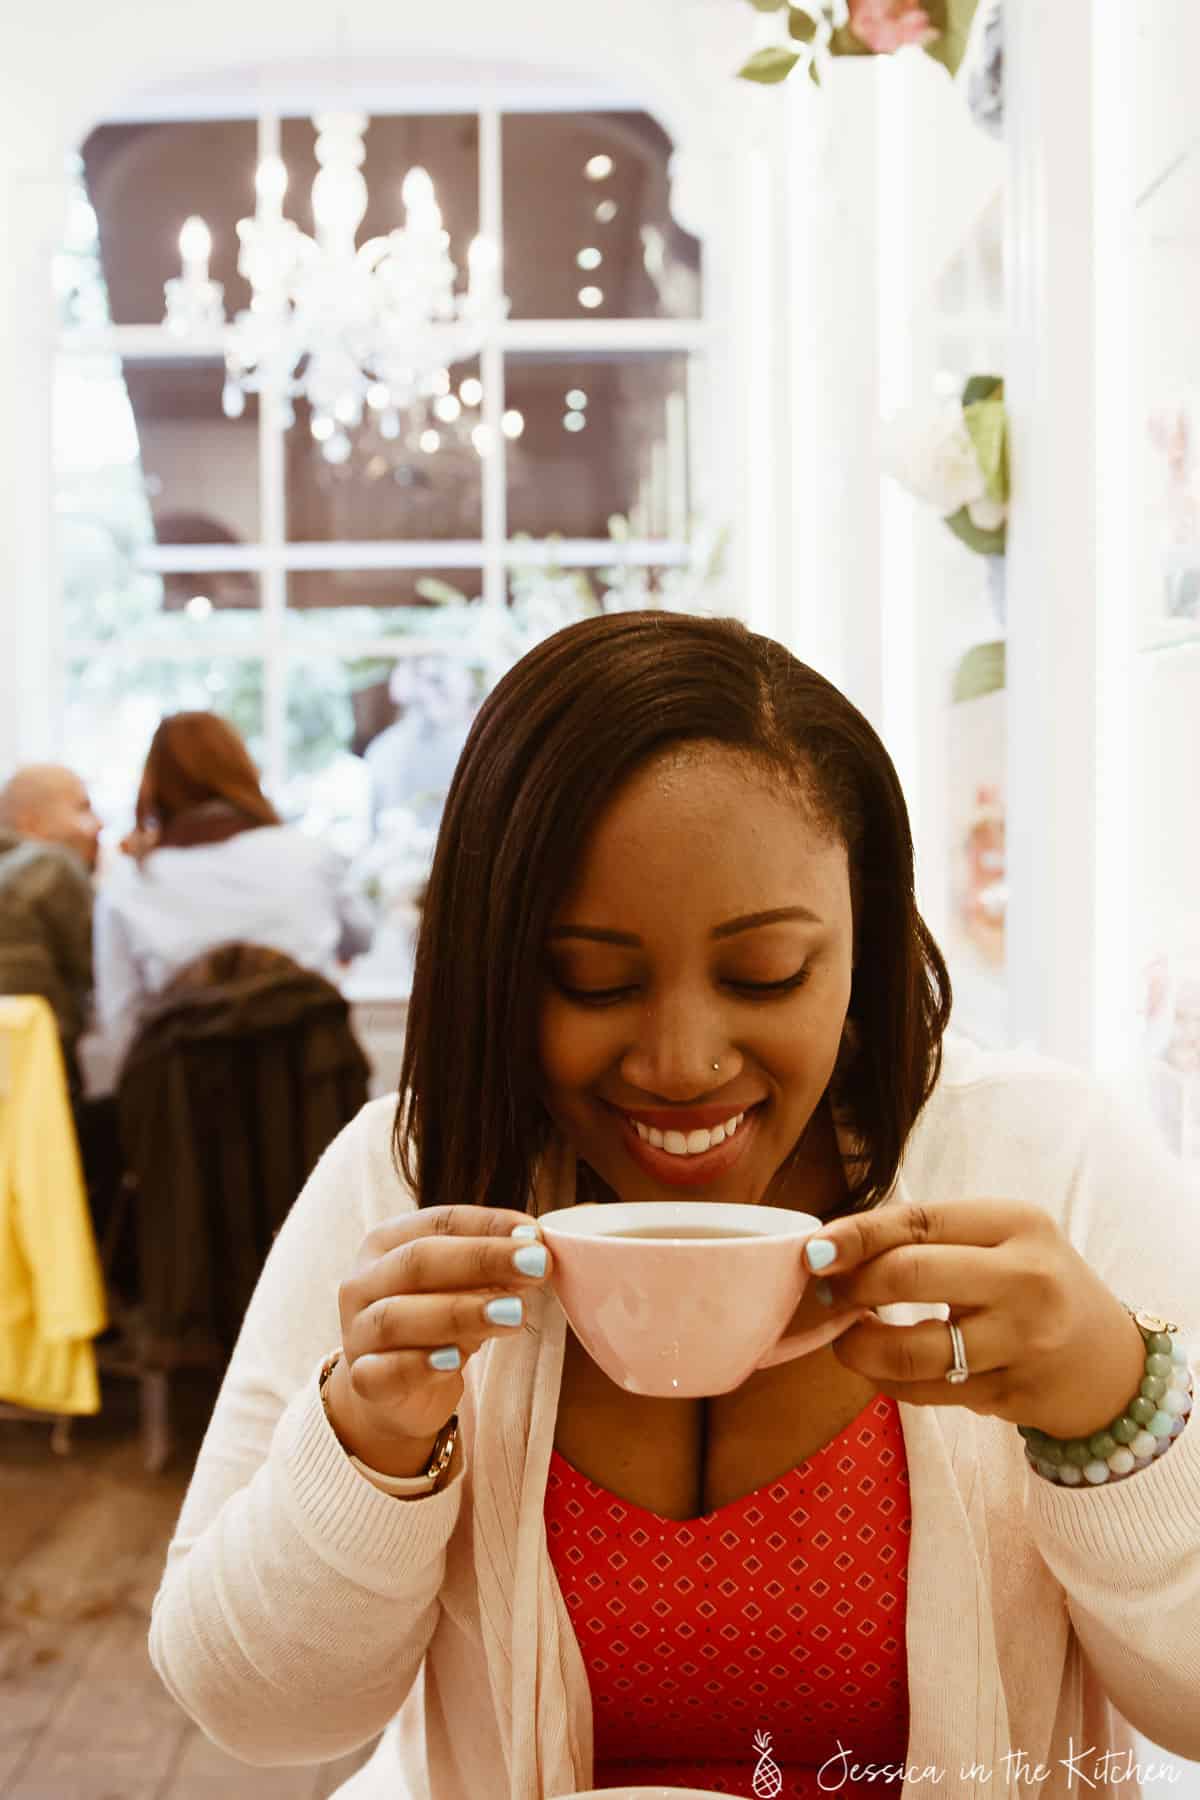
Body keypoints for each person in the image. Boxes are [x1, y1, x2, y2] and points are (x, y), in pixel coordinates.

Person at [148, 613, 1200, 1799]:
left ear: (867, 936)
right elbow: (249, 1709)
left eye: (766, 975)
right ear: (494, 966)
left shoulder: (1046, 1159)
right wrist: (369, 1452)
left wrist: (1118, 1417)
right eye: (591, 979)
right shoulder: (412, 1179)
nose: (683, 1061)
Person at [93, 712, 372, 1077]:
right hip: (314, 1094)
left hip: (184, 1107)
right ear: (243, 769)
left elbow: (121, 1024)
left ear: (154, 783)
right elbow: (362, 938)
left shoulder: (128, 883)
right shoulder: (310, 855)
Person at [0, 763, 100, 1090]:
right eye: (82, 808)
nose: (98, 824)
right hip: (34, 1083)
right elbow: (100, 975)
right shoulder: (50, 864)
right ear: (32, 822)